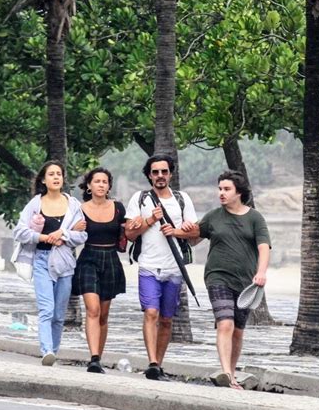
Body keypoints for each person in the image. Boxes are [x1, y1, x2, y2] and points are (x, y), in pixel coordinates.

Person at [125, 154, 198, 381]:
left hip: (174, 270)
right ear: (149, 175)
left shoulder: (182, 199)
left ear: (170, 174)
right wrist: (149, 221)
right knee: (151, 312)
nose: (160, 176)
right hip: (148, 266)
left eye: (164, 172)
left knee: (167, 319)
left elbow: (196, 234)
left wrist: (181, 230)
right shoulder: (140, 199)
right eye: (155, 172)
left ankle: (159, 362)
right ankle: (153, 363)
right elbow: (129, 233)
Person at [197, 170, 270, 390]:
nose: (221, 193)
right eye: (220, 189)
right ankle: (226, 373)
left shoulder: (255, 217)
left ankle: (232, 371)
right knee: (225, 323)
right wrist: (181, 231)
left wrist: (262, 272)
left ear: (238, 192)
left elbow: (264, 246)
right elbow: (193, 238)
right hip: (217, 276)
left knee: (238, 329)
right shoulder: (212, 216)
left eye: (226, 189)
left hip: (246, 282)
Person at [13, 160, 87, 367]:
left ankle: (53, 351)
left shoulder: (73, 205)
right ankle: (46, 350)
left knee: (59, 314)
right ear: (43, 180)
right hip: (42, 259)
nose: (55, 177)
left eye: (59, 174)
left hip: (64, 261)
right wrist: (44, 238)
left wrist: (63, 234)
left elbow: (82, 235)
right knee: (46, 309)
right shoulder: (36, 204)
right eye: (51, 174)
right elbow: (19, 231)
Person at [71, 167, 127, 374]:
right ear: (89, 186)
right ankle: (93, 358)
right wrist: (72, 229)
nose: (101, 185)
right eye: (97, 181)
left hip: (110, 258)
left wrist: (137, 225)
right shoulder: (79, 208)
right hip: (88, 259)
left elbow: (127, 232)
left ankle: (98, 357)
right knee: (92, 309)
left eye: (105, 182)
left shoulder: (118, 208)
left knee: (103, 314)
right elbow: (68, 230)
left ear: (109, 186)